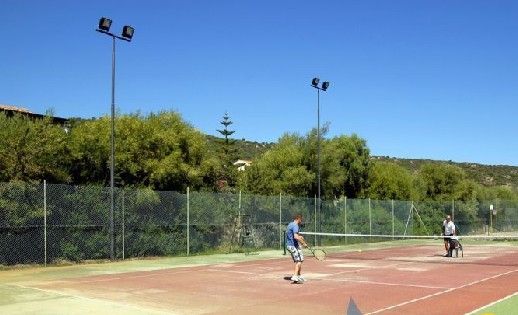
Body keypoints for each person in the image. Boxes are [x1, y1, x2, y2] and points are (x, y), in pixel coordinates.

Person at [286, 214, 308, 283]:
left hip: (293, 245)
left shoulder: (290, 224)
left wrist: (300, 237)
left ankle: (299, 275)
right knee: (298, 261)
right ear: (298, 218)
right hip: (292, 246)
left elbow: (294, 235)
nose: (301, 221)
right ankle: (295, 276)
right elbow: (295, 237)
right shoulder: (295, 225)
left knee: (300, 259)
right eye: (301, 219)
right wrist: (303, 243)